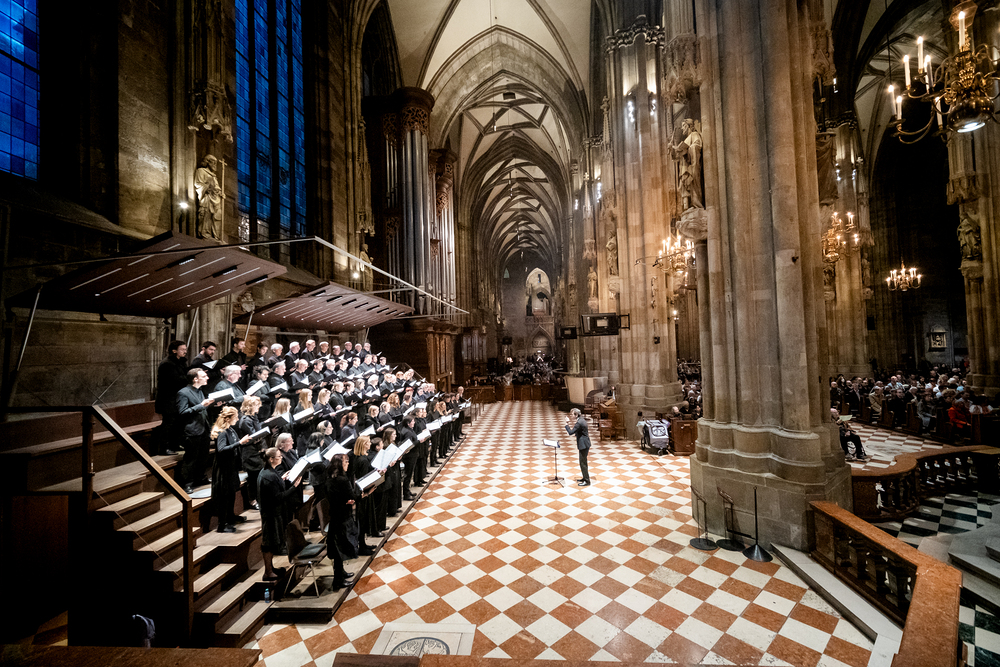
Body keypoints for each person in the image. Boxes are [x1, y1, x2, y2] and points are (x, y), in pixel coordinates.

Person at [257, 446, 302, 581]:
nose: (281, 458)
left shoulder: (269, 472)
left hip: (272, 513)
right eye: (279, 456)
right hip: (271, 515)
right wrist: (294, 487)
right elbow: (278, 497)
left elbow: (274, 488)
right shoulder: (269, 476)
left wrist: (282, 478)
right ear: (271, 459)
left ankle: (271, 569)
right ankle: (268, 572)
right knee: (269, 544)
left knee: (271, 542)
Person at [211, 406, 251, 532]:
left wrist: (242, 443)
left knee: (231, 494)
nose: (238, 419)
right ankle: (222, 525)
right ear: (228, 418)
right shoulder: (222, 432)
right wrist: (240, 443)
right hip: (224, 470)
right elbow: (222, 449)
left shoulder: (231, 430)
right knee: (224, 497)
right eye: (236, 417)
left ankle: (231, 517)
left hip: (231, 467)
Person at [176, 368, 216, 492]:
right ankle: (187, 483)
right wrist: (201, 405)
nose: (207, 378)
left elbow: (201, 409)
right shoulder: (183, 393)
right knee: (191, 458)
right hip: (192, 430)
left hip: (203, 428)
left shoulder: (200, 391)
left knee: (203, 456)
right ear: (195, 379)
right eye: (204, 376)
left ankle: (200, 478)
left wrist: (211, 405)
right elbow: (182, 412)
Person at [325, 453, 358, 588]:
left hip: (335, 516)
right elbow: (351, 496)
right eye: (346, 461)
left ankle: (341, 573)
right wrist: (355, 498)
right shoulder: (342, 480)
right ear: (340, 464)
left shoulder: (330, 478)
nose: (348, 464)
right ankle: (338, 581)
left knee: (339, 547)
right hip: (342, 517)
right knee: (340, 549)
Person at [154, 340, 189, 455]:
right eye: (182, 349)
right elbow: (174, 380)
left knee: (178, 423)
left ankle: (175, 445)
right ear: (174, 351)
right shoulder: (167, 364)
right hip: (168, 399)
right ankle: (163, 448)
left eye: (185, 349)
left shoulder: (181, 362)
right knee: (168, 423)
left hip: (177, 398)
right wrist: (191, 377)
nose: (185, 351)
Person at [236, 396, 266, 511]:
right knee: (253, 478)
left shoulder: (254, 417)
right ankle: (252, 500)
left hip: (256, 451)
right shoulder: (245, 420)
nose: (259, 407)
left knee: (258, 476)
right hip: (249, 453)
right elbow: (254, 436)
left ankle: (259, 498)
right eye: (256, 405)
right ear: (249, 406)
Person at [195, 154, 223, 240]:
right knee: (206, 215)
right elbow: (198, 184)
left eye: (215, 163)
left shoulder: (214, 176)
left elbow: (217, 187)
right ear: (207, 162)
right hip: (207, 197)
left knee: (217, 216)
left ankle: (216, 236)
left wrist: (220, 193)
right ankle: (205, 234)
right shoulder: (201, 171)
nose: (214, 165)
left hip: (215, 198)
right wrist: (207, 186)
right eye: (213, 162)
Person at [565, 408, 591, 486]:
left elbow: (570, 432)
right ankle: (585, 477)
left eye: (572, 414)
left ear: (576, 415)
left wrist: (567, 424)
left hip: (583, 445)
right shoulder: (582, 420)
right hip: (585, 444)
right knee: (583, 462)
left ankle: (587, 481)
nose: (571, 416)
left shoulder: (579, 423)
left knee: (583, 463)